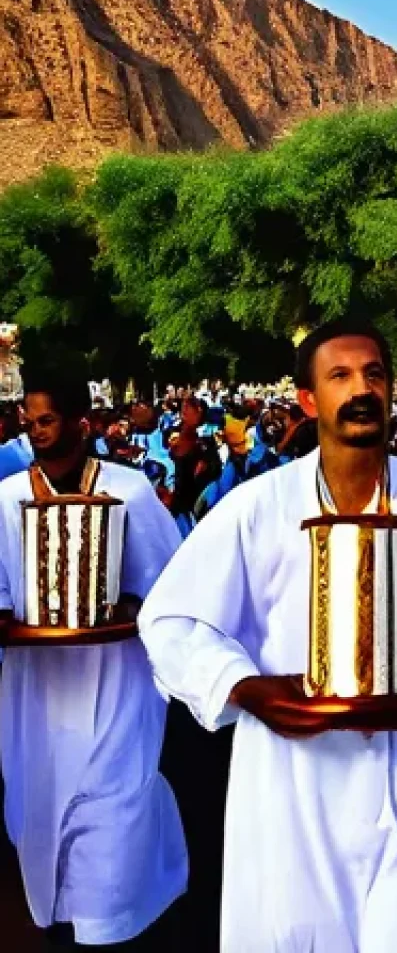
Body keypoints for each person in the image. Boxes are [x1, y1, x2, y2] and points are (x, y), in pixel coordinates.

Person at [137, 319, 397, 952]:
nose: (361, 389)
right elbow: (171, 618)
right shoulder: (258, 506)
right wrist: (246, 688)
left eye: (373, 374)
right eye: (339, 376)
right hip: (293, 773)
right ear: (310, 399)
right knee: (294, 931)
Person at [0, 373, 187, 949]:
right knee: (40, 814)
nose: (35, 431)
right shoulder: (7, 500)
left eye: (46, 420)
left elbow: (173, 589)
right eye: (29, 422)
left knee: (113, 820)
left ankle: (112, 926)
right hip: (38, 695)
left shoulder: (129, 492)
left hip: (116, 691)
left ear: (82, 425)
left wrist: (130, 606)